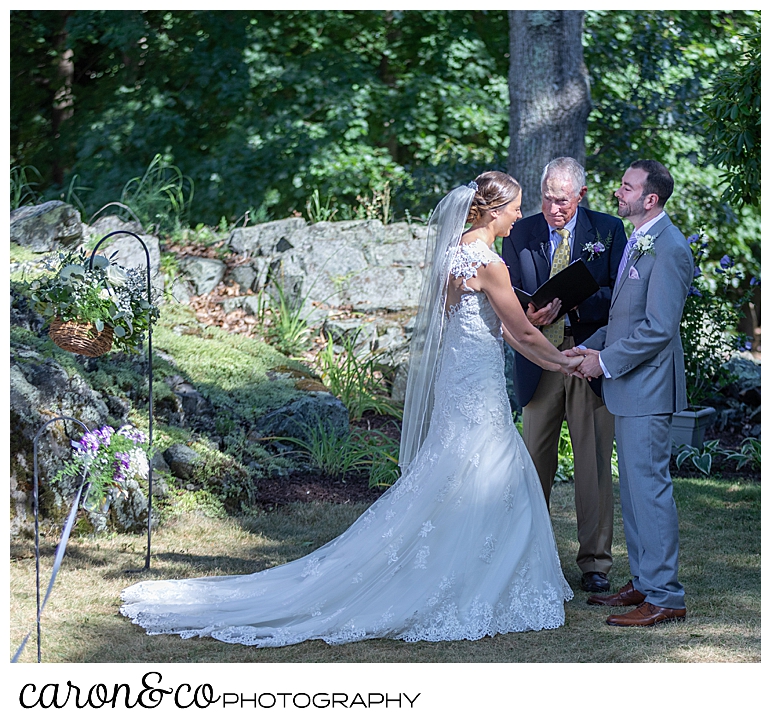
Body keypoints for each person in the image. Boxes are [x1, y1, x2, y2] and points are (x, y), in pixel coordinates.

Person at [120, 172, 583, 647]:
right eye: (514, 207)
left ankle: (465, 568)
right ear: (490, 210)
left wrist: (553, 358)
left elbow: (499, 328)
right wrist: (566, 361)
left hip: (459, 378)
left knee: (459, 473)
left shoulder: (454, 254)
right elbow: (522, 333)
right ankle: (470, 578)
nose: (519, 216)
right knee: (482, 469)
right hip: (477, 384)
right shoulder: (490, 264)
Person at [569, 160, 694, 626]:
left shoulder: (669, 248)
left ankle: (665, 597)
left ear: (651, 199)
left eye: (627, 186)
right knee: (636, 493)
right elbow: (625, 318)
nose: (618, 192)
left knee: (650, 492)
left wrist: (603, 363)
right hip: (630, 388)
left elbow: (659, 329)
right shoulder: (641, 241)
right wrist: (591, 346)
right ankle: (643, 583)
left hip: (648, 389)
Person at [501, 157, 626, 594]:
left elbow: (621, 293)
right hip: (538, 358)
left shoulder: (609, 230)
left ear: (582, 196)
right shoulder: (519, 231)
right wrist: (531, 313)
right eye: (548, 198)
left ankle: (595, 562)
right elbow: (506, 291)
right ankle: (528, 555)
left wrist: (574, 305)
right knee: (534, 459)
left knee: (593, 462)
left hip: (588, 357)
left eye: (563, 201)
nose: (554, 208)